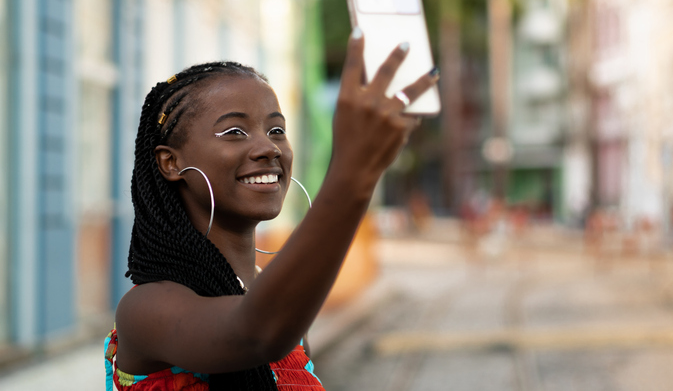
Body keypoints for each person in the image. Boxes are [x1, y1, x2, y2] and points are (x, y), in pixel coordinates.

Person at [104, 27, 440, 391]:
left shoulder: (277, 300)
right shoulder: (146, 309)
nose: (269, 148)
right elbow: (255, 335)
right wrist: (354, 171)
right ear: (170, 162)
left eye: (277, 130)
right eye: (234, 132)